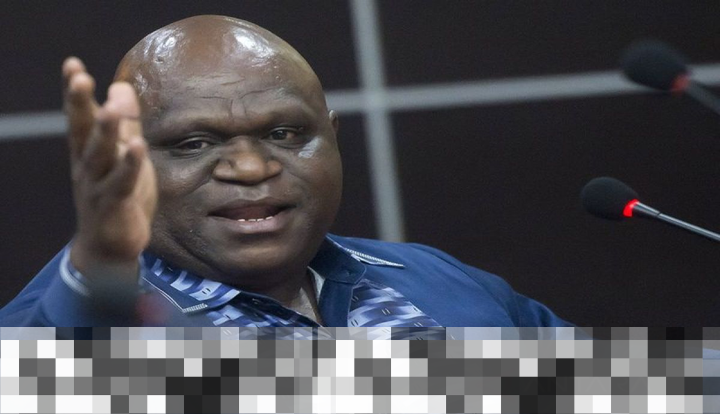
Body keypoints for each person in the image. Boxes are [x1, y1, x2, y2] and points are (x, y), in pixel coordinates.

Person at [0, 15, 571, 333]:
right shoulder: (67, 320)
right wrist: (99, 274)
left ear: (333, 136)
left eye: (284, 134)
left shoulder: (432, 276)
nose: (252, 167)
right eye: (194, 143)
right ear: (131, 162)